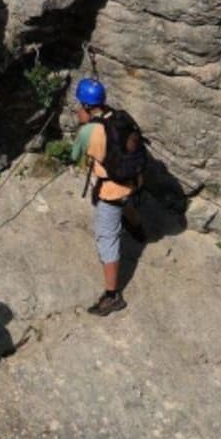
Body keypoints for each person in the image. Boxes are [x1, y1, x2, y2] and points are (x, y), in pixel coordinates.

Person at [71, 78, 146, 316]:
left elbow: (76, 154)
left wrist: (83, 128)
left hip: (111, 191)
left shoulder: (90, 131)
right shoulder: (118, 117)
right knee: (125, 202)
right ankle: (137, 228)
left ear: (84, 105)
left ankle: (112, 295)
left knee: (107, 239)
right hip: (134, 182)